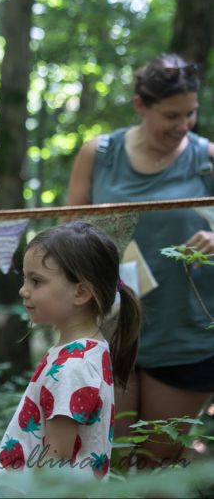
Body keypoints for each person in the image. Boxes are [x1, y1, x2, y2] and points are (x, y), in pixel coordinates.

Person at [67, 53, 214, 466]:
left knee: (157, 471)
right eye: (171, 115)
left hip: (184, 335)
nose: (183, 125)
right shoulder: (100, 154)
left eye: (190, 113)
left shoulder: (207, 159)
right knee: (105, 464)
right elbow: (67, 236)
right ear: (140, 106)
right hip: (108, 330)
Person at [0, 221, 141, 480]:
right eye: (25, 278)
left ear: (80, 293)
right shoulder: (88, 350)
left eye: (36, 281)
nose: (23, 290)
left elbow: (56, 460)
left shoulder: (74, 366)